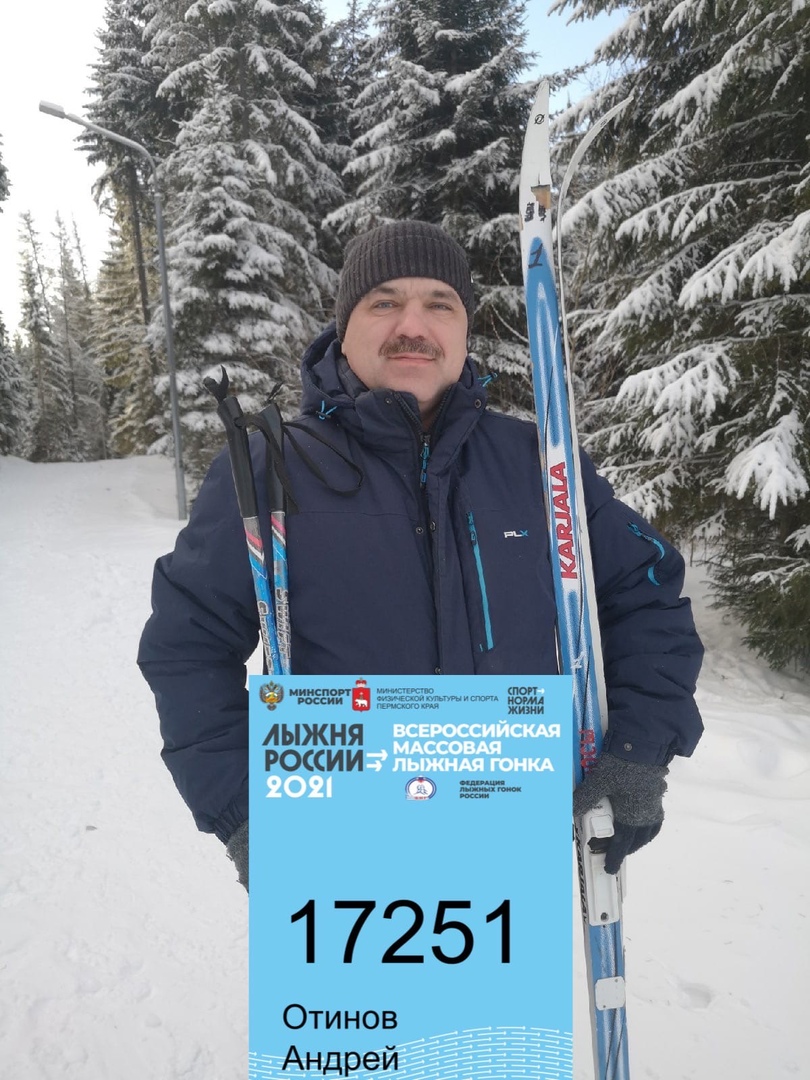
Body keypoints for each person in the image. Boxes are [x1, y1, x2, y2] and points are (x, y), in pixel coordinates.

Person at [138, 220, 703, 890]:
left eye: (440, 304)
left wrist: (639, 749)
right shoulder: (272, 468)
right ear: (344, 326)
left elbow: (645, 594)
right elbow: (188, 644)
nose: (413, 325)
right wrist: (243, 811)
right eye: (384, 302)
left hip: (505, 829)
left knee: (493, 962)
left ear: (464, 331)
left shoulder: (540, 465)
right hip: (335, 839)